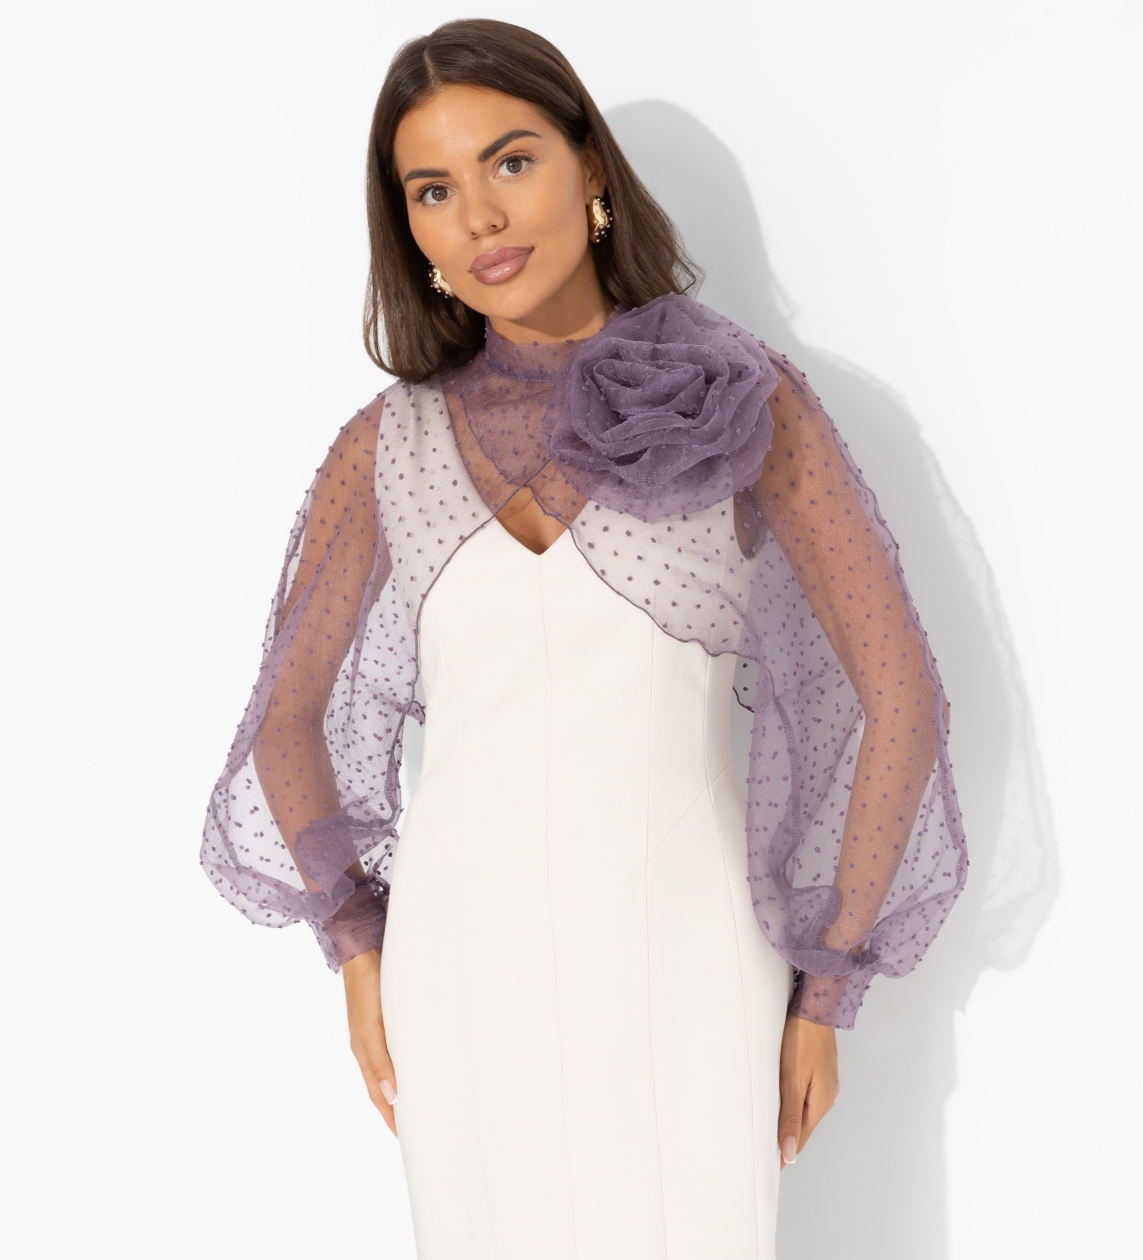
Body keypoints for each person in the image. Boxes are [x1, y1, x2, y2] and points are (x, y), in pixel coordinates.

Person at [202, 19, 966, 1259]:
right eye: (433, 191)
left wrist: (827, 991)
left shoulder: (748, 403)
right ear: (410, 230)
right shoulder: (382, 449)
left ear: (591, 168)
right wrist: (357, 949)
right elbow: (286, 717)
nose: (481, 218)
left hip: (685, 951)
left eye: (511, 162)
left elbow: (899, 693)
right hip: (457, 965)